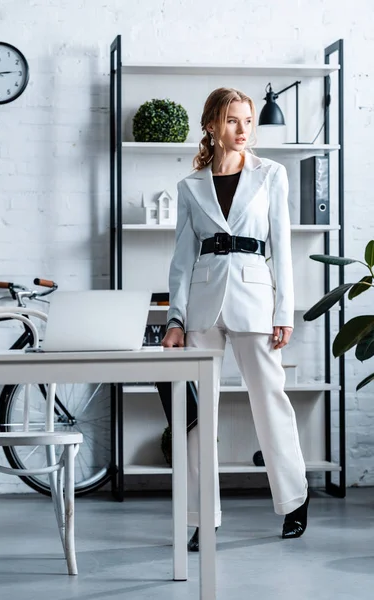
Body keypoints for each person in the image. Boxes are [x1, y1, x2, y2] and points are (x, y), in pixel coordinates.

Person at [161, 87, 309, 551]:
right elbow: (182, 259)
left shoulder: (272, 175)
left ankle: (294, 500)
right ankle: (205, 516)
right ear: (211, 126)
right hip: (203, 304)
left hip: (255, 300)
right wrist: (175, 319)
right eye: (232, 121)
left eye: (248, 121)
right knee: (197, 417)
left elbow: (282, 250)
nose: (243, 130)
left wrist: (284, 310)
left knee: (271, 403)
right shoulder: (190, 186)